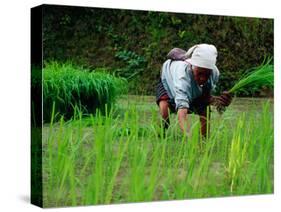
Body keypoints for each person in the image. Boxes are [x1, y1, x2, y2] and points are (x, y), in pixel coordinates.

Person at [156, 44, 232, 137]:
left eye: (206, 74)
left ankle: (204, 139)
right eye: (199, 73)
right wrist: (189, 137)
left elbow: (205, 98)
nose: (203, 78)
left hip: (188, 87)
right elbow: (182, 112)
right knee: (165, 110)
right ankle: (160, 135)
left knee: (205, 109)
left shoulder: (214, 73)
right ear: (192, 67)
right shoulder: (182, 77)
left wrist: (220, 102)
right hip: (168, 79)